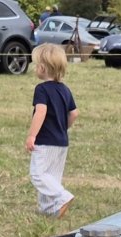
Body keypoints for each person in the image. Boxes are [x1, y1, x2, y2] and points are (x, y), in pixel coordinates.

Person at [26, 42, 78, 219]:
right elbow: (74, 113)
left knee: (38, 175)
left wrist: (32, 135)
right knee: (52, 177)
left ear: (42, 68)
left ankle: (62, 197)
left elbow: (41, 111)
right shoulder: (65, 90)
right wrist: (63, 128)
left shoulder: (41, 89)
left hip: (45, 141)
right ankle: (48, 209)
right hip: (61, 142)